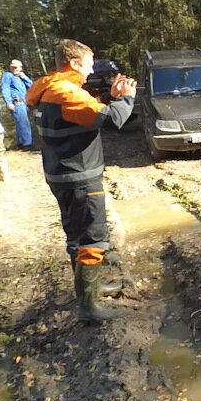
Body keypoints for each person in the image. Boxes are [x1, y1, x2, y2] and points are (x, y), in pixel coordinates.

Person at [26, 39, 136, 322]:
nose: (90, 71)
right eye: (88, 64)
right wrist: (125, 98)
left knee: (75, 234)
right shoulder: (66, 93)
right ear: (75, 63)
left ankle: (91, 289)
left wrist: (107, 97)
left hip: (60, 175)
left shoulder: (47, 87)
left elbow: (82, 114)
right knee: (92, 239)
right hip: (80, 179)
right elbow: (112, 121)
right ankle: (88, 308)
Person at [0, 59, 34, 149]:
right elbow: (5, 89)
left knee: (20, 123)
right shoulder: (7, 75)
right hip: (16, 102)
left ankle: (21, 143)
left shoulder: (21, 77)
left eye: (16, 67)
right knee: (24, 123)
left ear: (20, 68)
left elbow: (32, 86)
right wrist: (8, 102)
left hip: (24, 102)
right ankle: (27, 144)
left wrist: (24, 77)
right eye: (12, 67)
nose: (14, 69)